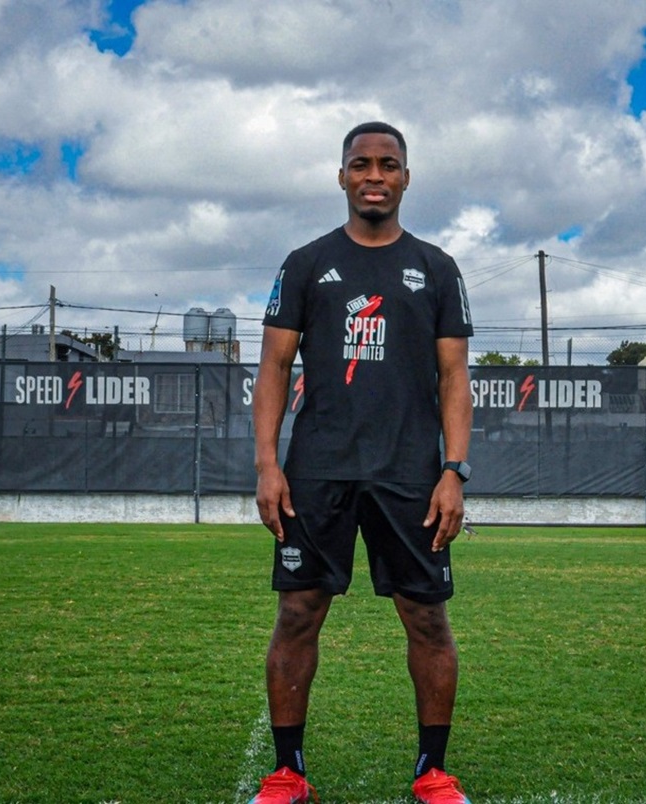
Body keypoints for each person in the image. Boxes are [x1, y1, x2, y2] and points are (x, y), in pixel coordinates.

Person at [249, 121, 475, 804]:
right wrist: (267, 463)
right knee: (297, 613)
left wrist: (453, 470)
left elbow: (454, 378)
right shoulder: (305, 263)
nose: (373, 176)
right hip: (316, 469)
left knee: (427, 618)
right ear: (341, 175)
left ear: (406, 177)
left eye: (388, 165)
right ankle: (288, 772)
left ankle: (430, 772)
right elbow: (273, 366)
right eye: (360, 164)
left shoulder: (435, 268)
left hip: (409, 471)